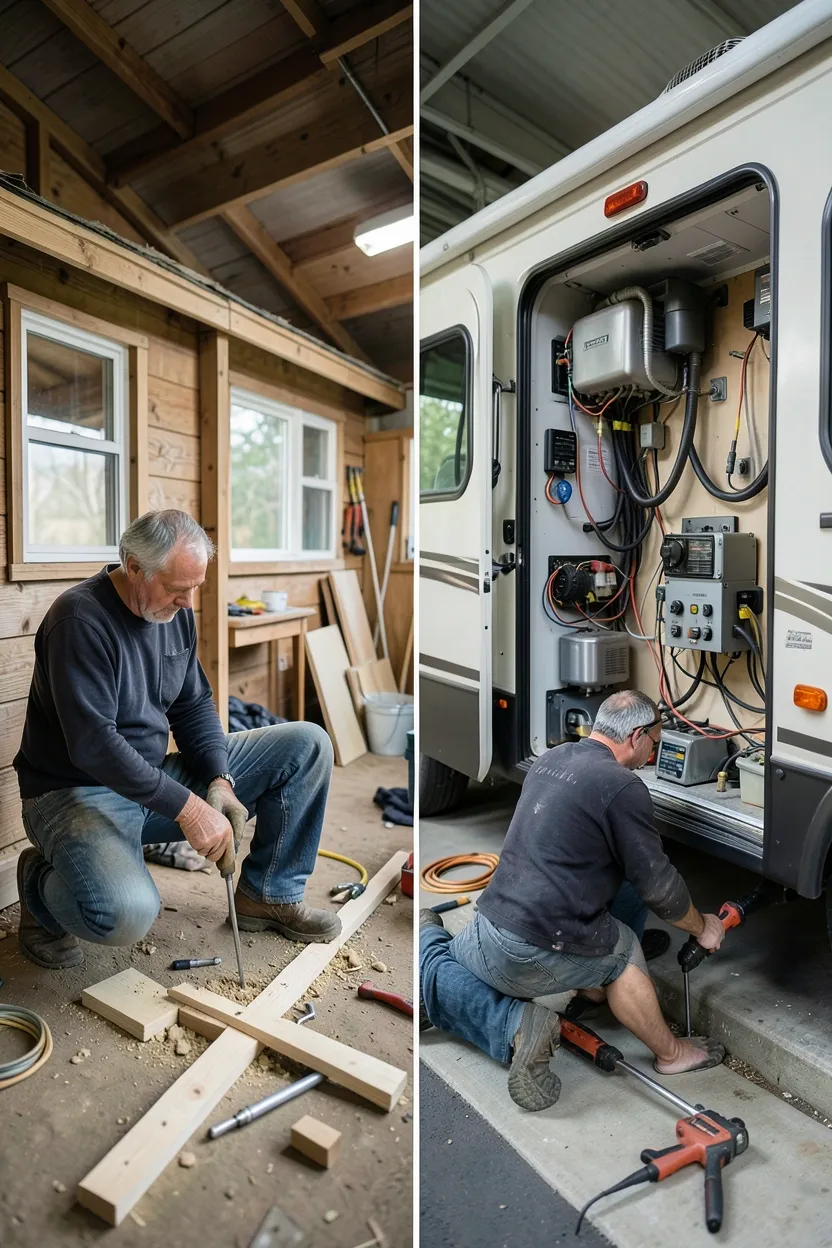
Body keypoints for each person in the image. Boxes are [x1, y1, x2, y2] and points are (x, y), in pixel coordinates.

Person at [14, 509, 339, 969]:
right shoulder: (79, 619)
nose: (188, 602)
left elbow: (192, 705)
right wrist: (189, 810)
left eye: (195, 588)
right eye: (175, 588)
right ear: (133, 566)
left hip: (148, 779)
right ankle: (38, 886)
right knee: (125, 914)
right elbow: (93, 746)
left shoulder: (174, 613)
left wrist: (219, 781)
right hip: (75, 793)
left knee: (306, 744)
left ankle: (268, 895)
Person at [420, 689, 727, 1112]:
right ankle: (672, 1054)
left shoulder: (551, 758)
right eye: (654, 742)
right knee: (624, 951)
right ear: (636, 735)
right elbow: (661, 889)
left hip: (489, 924)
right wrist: (703, 927)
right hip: (529, 950)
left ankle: (440, 954)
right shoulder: (622, 786)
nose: (653, 753)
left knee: (435, 959)